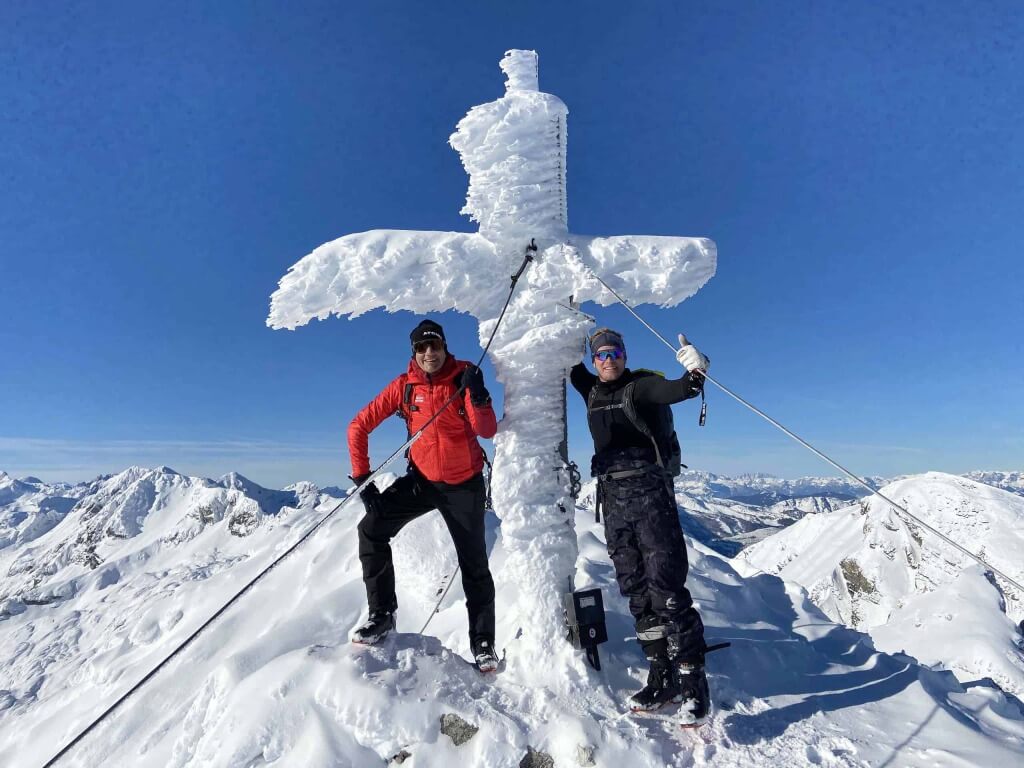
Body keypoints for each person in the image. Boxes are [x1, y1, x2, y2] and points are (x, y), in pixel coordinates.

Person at [570, 327, 712, 722]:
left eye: (614, 352)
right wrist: (569, 327)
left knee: (666, 588)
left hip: (650, 495)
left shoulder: (640, 387)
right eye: (601, 355)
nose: (608, 359)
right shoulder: (592, 390)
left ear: (624, 355)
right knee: (636, 591)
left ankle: (692, 684)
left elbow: (679, 390)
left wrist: (696, 371)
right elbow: (570, 368)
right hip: (613, 500)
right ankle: (660, 673)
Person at [347, 319, 500, 673]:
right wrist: (362, 476)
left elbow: (486, 429)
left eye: (435, 346)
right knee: (371, 530)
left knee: (474, 563)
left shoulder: (465, 374)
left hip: (464, 484)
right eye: (421, 347)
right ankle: (382, 615)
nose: (429, 353)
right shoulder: (404, 387)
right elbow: (358, 426)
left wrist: (477, 393)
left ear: (445, 347)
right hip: (423, 481)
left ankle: (483, 643)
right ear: (414, 352)